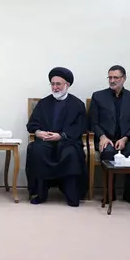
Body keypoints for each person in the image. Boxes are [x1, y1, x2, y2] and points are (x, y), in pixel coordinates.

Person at [25, 67, 87, 206]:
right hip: (45, 141)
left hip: (67, 141)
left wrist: (61, 136)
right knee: (37, 150)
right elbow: (32, 124)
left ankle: (71, 195)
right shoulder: (43, 103)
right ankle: (41, 194)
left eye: (58, 84)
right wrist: (38, 132)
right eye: (52, 84)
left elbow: (80, 127)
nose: (55, 87)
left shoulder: (77, 104)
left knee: (70, 153)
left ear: (67, 85)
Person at [88, 65, 130, 204]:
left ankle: (129, 193)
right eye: (110, 77)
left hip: (127, 138)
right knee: (107, 153)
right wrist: (102, 136)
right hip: (106, 138)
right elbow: (93, 122)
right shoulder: (98, 96)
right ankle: (109, 193)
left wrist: (125, 138)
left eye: (116, 77)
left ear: (123, 79)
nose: (112, 81)